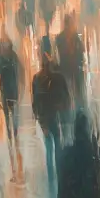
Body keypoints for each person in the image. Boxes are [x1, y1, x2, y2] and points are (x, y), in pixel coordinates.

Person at [31, 48, 70, 181]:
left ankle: (55, 176)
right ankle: (56, 176)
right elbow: (36, 103)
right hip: (50, 118)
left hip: (50, 118)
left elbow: (35, 103)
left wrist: (40, 120)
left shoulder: (43, 79)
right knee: (54, 147)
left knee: (53, 147)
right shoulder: (45, 79)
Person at [0, 29, 23, 143]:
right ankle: (11, 133)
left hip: (8, 88)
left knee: (11, 111)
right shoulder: (6, 57)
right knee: (9, 111)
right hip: (7, 88)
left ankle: (12, 132)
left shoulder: (7, 57)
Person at [56, 12, 86, 106]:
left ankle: (78, 106)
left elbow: (82, 50)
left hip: (74, 68)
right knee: (67, 91)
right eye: (72, 23)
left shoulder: (75, 36)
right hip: (67, 68)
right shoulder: (60, 38)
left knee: (78, 92)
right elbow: (61, 53)